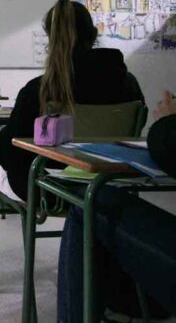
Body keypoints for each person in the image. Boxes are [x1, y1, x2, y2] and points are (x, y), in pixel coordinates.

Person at [0, 0, 144, 250]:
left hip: (46, 191)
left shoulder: (41, 89)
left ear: (49, 39)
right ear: (94, 34)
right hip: (106, 187)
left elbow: (10, 154)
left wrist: (1, 138)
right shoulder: (128, 85)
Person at [57, 91, 176, 321]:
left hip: (48, 184)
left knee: (89, 202)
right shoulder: (129, 87)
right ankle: (140, 302)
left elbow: (168, 145)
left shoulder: (37, 90)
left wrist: (168, 123)